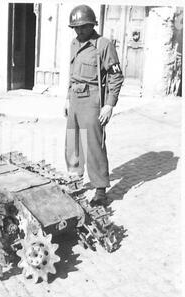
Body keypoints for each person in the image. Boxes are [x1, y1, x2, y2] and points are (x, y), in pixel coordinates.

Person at [64, 4, 124, 207]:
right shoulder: (74, 43)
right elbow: (72, 74)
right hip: (75, 98)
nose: (78, 31)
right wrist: (66, 98)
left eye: (82, 27)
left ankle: (100, 190)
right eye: (75, 27)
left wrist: (109, 105)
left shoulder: (103, 45)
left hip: (93, 99)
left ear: (92, 25)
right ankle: (75, 180)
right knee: (73, 142)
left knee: (93, 145)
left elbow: (116, 76)